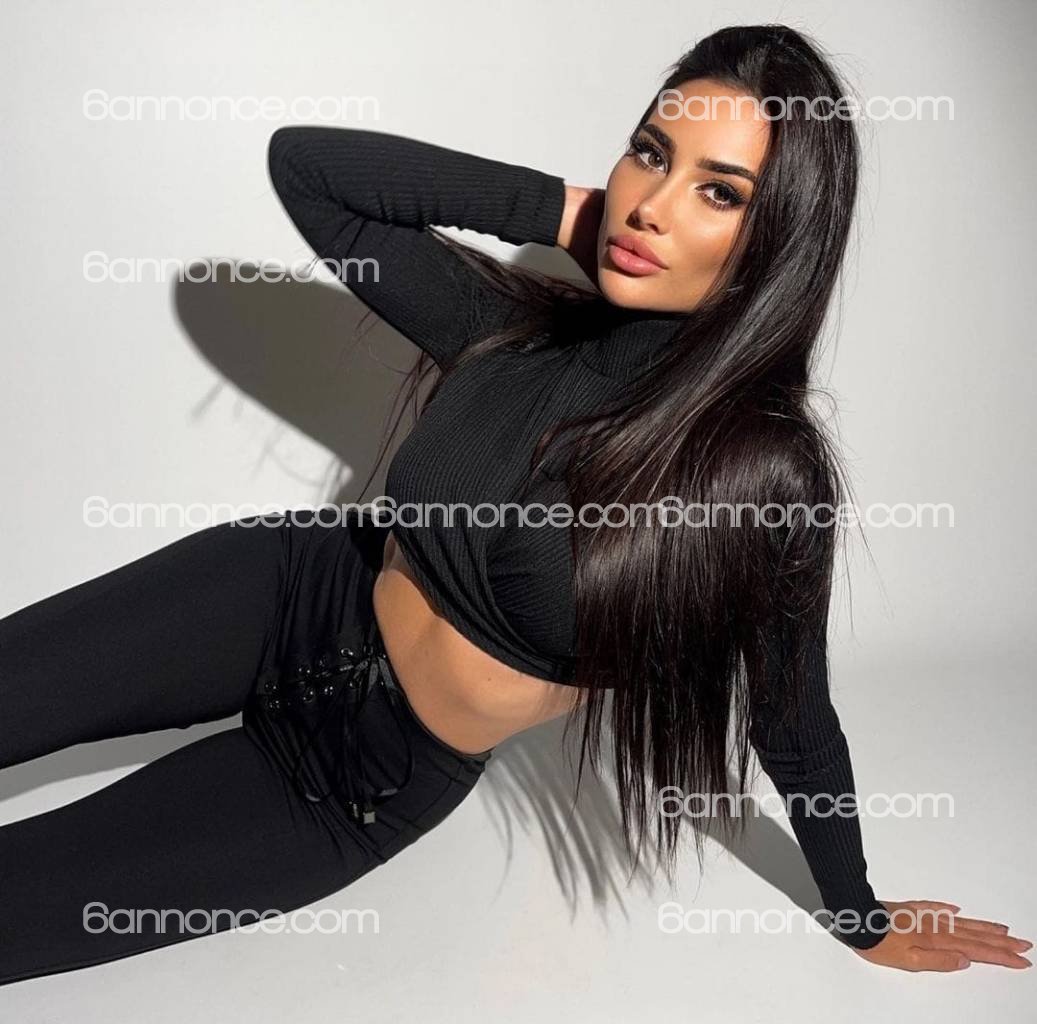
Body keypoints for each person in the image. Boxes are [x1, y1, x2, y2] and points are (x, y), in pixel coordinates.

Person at [1, 24, 1030, 987]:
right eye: (649, 154)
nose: (652, 205)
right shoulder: (513, 326)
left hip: (352, 781)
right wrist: (570, 213)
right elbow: (308, 169)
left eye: (717, 193)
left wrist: (856, 911)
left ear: (779, 240)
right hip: (284, 593)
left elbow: (791, 715)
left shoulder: (760, 473)